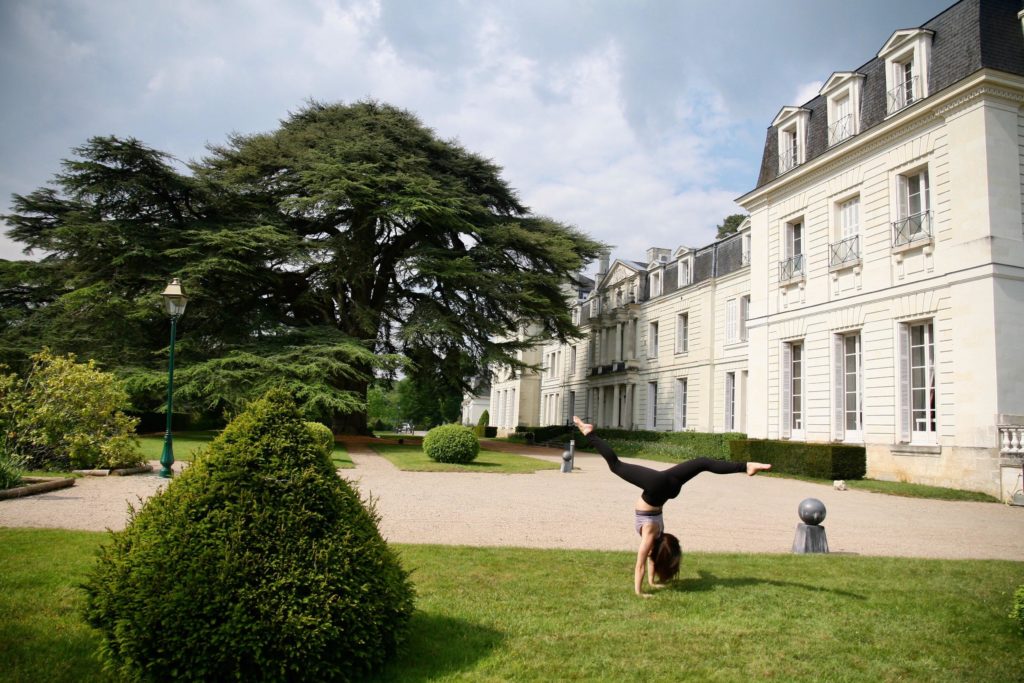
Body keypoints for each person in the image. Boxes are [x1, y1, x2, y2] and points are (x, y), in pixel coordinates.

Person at [572, 416, 771, 597]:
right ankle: (746, 466)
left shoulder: (657, 534)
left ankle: (746, 466)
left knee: (700, 463)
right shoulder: (652, 534)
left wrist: (642, 590)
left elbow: (644, 562)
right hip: (658, 486)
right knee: (617, 465)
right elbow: (644, 561)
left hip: (665, 488)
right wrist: (645, 586)